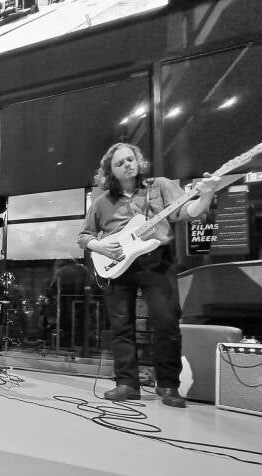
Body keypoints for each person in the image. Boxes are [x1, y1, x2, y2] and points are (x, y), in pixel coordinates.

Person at [78, 142, 219, 407]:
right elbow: (85, 236)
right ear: (110, 171)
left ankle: (167, 385)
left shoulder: (161, 186)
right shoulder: (101, 203)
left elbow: (186, 211)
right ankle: (127, 384)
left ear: (138, 160)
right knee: (121, 326)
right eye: (120, 163)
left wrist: (206, 196)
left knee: (166, 322)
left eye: (130, 159)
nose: (127, 165)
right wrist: (99, 246)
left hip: (157, 262)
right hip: (118, 265)